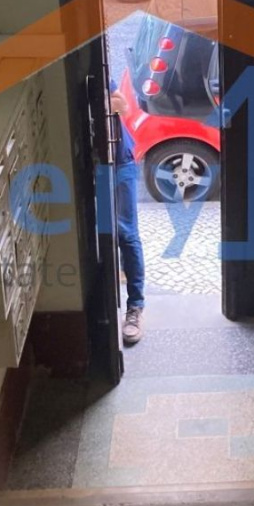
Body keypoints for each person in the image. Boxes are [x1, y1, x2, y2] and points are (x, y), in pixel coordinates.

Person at [111, 86, 146, 344]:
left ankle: (135, 307)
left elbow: (122, 105)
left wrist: (99, 105)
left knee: (127, 234)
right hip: (92, 163)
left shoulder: (101, 75)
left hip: (120, 161)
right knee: (100, 236)